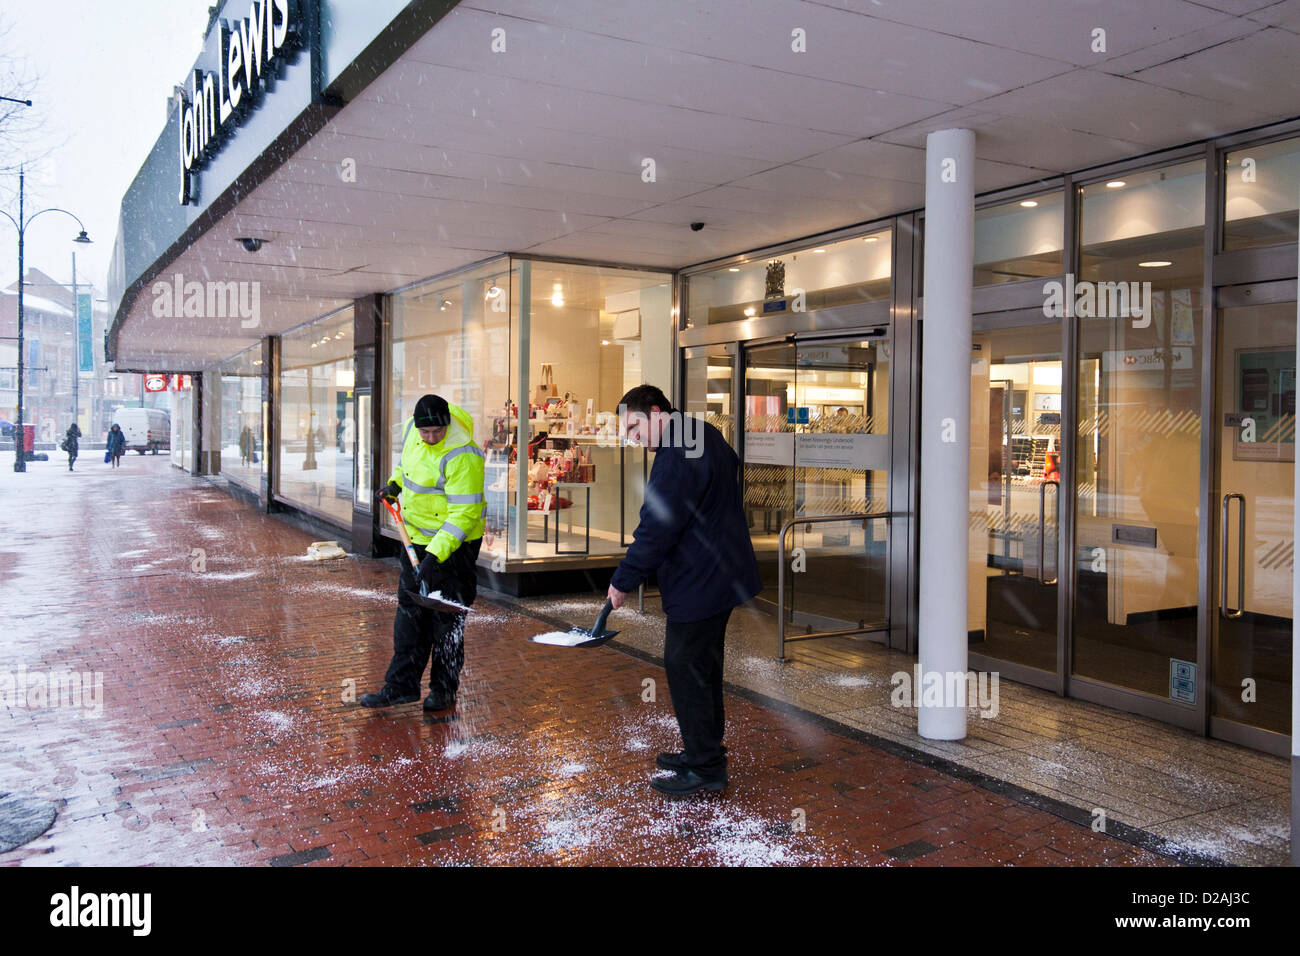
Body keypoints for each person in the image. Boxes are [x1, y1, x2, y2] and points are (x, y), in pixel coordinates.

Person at [608, 385, 762, 796]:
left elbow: (658, 526)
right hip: (721, 572)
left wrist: (624, 579)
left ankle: (705, 768)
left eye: (636, 426)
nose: (633, 437)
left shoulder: (676, 454)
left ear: (657, 413)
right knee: (702, 667)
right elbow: (730, 467)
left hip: (701, 577)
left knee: (686, 668)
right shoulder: (700, 431)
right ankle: (704, 750)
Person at [361, 394, 486, 712]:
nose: (430, 438)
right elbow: (407, 467)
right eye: (425, 432)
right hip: (414, 540)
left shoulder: (464, 455)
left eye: (437, 432)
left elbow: (464, 515)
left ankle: (444, 690)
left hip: (455, 548)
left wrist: (434, 557)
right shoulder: (409, 431)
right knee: (409, 617)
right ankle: (401, 687)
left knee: (447, 621)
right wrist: (394, 485)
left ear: (447, 423)